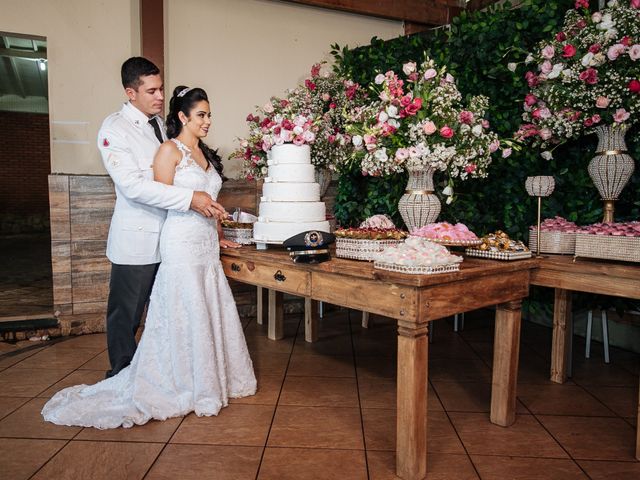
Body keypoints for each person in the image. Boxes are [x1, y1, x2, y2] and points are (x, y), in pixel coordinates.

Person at [41, 85, 257, 428]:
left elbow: (210, 203)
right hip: (180, 240)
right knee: (180, 309)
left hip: (204, 245)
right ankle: (178, 381)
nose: (208, 121)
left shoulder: (206, 154)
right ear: (183, 116)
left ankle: (212, 377)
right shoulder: (167, 151)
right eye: (201, 114)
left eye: (210, 114)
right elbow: (159, 195)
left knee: (206, 305)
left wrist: (218, 237)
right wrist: (192, 203)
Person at [96, 57, 227, 379]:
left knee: (167, 313)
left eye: (161, 89)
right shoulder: (115, 129)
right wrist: (191, 199)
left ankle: (162, 371)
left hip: (173, 240)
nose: (159, 97)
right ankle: (123, 373)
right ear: (130, 92)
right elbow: (132, 186)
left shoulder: (160, 127)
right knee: (127, 314)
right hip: (138, 236)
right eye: (151, 90)